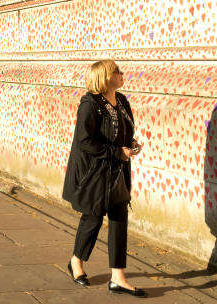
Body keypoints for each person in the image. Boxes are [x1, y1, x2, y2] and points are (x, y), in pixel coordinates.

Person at [62, 59, 145, 298]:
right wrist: (116, 152)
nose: (122, 74)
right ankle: (76, 262)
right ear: (106, 77)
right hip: (95, 174)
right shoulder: (90, 104)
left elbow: (123, 132)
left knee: (119, 220)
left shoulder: (122, 102)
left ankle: (118, 277)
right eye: (117, 71)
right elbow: (84, 142)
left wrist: (130, 144)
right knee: (93, 219)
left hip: (117, 172)